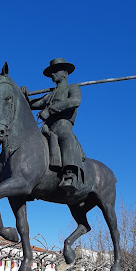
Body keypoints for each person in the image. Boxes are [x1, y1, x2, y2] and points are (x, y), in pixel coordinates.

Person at [22, 58, 84, 193]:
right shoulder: (49, 96)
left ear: (65, 73)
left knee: (66, 138)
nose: (53, 74)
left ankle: (70, 173)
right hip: (48, 128)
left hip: (63, 126)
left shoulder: (72, 87)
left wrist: (50, 110)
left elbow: (75, 101)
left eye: (56, 71)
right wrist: (23, 95)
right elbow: (31, 104)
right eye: (51, 72)